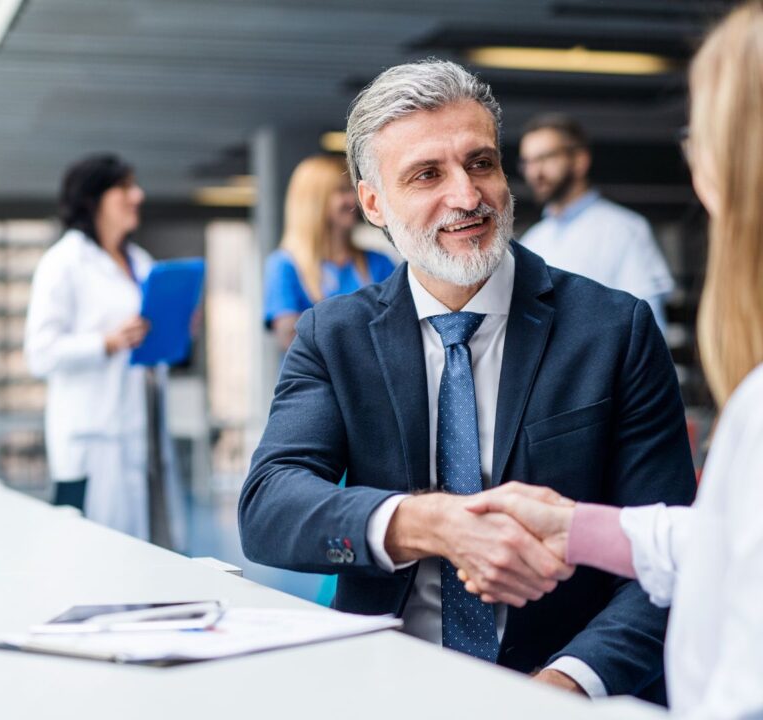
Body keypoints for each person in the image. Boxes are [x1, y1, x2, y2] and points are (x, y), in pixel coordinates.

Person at [238, 59, 696, 701]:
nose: (467, 195)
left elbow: (668, 554)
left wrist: (565, 685)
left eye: (481, 163)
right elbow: (269, 507)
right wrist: (429, 524)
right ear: (373, 203)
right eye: (428, 174)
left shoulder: (613, 330)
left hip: (561, 682)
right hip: (384, 684)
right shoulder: (334, 336)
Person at [463, 3, 763, 717]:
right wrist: (579, 528)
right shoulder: (536, 240)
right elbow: (735, 541)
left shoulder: (622, 249)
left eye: (702, 136)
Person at [24, 153, 183, 547]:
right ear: (93, 198)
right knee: (94, 553)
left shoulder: (140, 261)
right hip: (94, 439)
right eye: (125, 187)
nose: (138, 195)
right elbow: (40, 353)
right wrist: (106, 342)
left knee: (151, 551)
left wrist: (176, 327)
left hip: (142, 433)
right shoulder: (64, 263)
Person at [517, 113, 675, 331]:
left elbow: (649, 325)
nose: (535, 172)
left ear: (580, 161)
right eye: (528, 162)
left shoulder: (626, 229)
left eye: (546, 158)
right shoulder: (532, 240)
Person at [264, 154, 396, 350]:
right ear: (315, 201)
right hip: (316, 381)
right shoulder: (284, 265)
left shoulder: (379, 262)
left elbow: (398, 327)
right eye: (342, 191)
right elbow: (291, 339)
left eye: (353, 189)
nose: (354, 199)